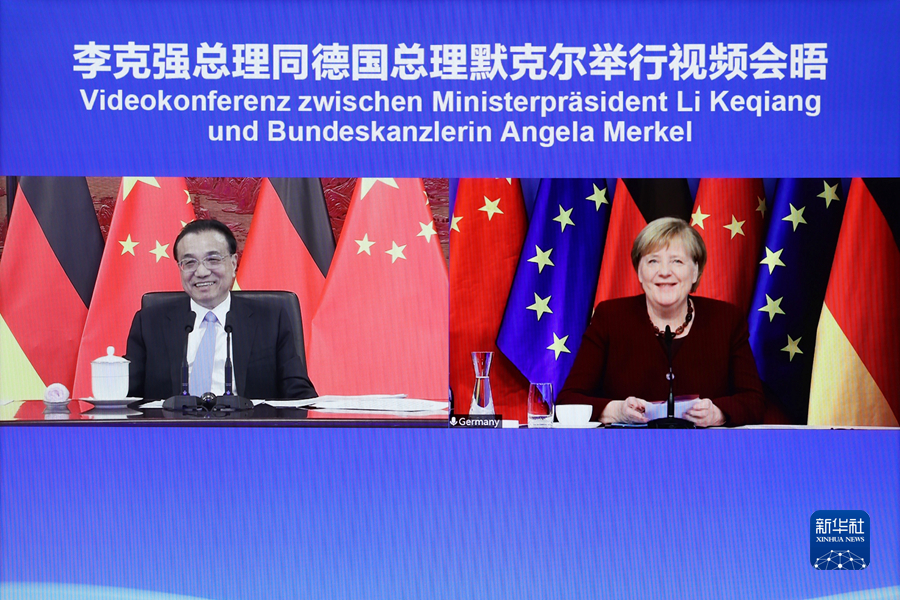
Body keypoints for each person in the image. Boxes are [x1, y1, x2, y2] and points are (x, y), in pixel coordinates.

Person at [557, 217, 764, 427]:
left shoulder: (726, 319)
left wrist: (718, 413)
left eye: (677, 261)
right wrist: (615, 411)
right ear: (639, 271)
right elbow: (568, 401)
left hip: (705, 447)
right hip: (627, 447)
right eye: (653, 261)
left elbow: (754, 402)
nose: (664, 272)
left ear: (695, 271)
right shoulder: (611, 317)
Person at [125, 219, 317, 400]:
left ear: (233, 264)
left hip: (246, 424)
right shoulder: (149, 322)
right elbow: (126, 393)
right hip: (172, 424)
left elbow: (299, 394)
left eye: (213, 260)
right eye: (189, 262)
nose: (201, 272)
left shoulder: (270, 320)